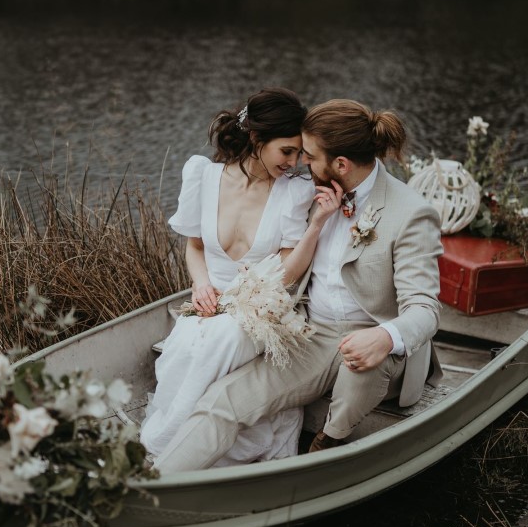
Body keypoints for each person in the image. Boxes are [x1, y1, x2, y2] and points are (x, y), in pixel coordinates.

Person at [154, 98, 444, 473]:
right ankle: (154, 484)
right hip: (312, 335)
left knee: (361, 369)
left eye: (308, 155)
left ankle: (327, 446)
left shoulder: (411, 212)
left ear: (340, 164)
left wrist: (386, 337)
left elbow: (425, 309)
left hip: (376, 341)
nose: (300, 165)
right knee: (223, 403)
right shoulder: (311, 194)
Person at [140, 88, 339, 466]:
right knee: (190, 342)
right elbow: (194, 246)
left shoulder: (293, 192)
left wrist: (315, 227)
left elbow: (288, 272)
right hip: (209, 300)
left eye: (299, 153)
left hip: (260, 308)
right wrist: (200, 284)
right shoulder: (203, 174)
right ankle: (173, 443)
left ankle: (171, 453)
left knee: (224, 337)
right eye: (287, 151)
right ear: (255, 137)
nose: (295, 161)